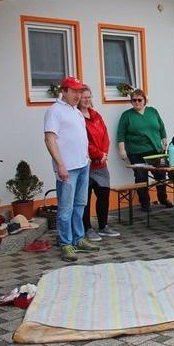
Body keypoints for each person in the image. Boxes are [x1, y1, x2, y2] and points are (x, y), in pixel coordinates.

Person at [43, 77, 100, 262]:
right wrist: (60, 165)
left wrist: (87, 158)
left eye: (79, 91)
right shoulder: (55, 111)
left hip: (83, 165)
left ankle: (79, 238)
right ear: (64, 91)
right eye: (74, 91)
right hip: (67, 168)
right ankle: (66, 243)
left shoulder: (76, 112)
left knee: (80, 205)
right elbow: (50, 140)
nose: (78, 95)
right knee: (66, 208)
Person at [117, 89, 172, 212]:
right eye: (134, 100)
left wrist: (164, 139)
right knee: (141, 177)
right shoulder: (127, 115)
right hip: (136, 152)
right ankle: (145, 203)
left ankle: (163, 198)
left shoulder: (153, 111)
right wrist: (122, 150)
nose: (137, 102)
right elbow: (121, 133)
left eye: (139, 100)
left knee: (161, 175)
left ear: (144, 100)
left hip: (155, 150)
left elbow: (161, 128)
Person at [77, 86, 120, 241]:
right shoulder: (77, 117)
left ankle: (103, 226)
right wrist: (98, 153)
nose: (87, 100)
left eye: (89, 96)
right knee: (85, 198)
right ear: (78, 99)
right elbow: (83, 142)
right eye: (84, 97)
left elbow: (105, 136)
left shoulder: (96, 115)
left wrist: (104, 153)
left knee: (103, 194)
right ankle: (87, 228)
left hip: (101, 164)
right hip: (86, 164)